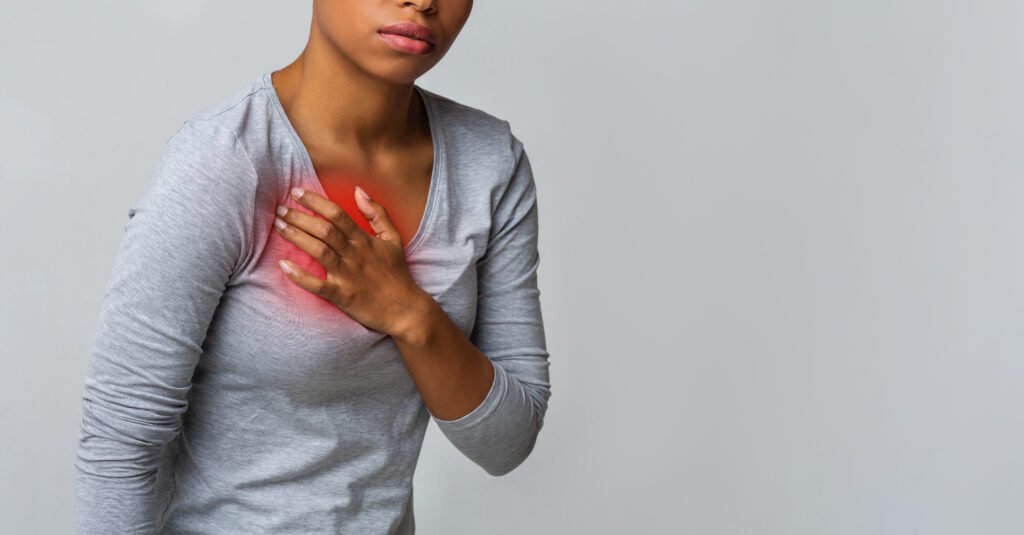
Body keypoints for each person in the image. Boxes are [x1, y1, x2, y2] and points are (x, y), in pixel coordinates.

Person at [73, 0, 552, 532]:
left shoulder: (489, 163)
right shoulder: (226, 162)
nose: (423, 1)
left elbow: (507, 441)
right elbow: (119, 448)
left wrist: (410, 314)